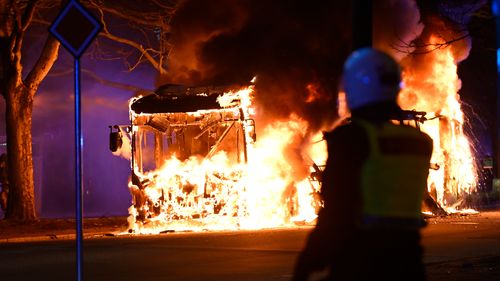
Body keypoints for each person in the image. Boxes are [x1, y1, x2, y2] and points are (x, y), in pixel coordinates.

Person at [292, 48, 433, 281]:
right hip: (408, 263)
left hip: (360, 262)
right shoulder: (419, 142)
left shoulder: (353, 139)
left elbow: (336, 211)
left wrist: (307, 264)